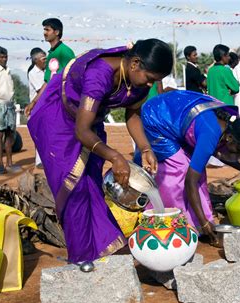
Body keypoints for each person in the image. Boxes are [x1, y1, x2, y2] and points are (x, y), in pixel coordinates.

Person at [27, 39, 173, 264]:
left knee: (92, 183)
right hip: (56, 121)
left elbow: (132, 114)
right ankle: (83, 256)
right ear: (134, 64)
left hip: (88, 121)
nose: (150, 85)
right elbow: (82, 131)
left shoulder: (139, 83)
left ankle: (104, 246)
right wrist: (115, 156)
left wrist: (145, 148)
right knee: (73, 186)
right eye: (150, 79)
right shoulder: (100, 73)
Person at [139, 90, 240, 245]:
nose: (238, 155)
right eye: (239, 150)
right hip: (157, 118)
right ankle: (178, 225)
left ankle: (199, 223)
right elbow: (189, 181)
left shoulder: (226, 127)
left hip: (176, 116)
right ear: (229, 138)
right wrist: (203, 222)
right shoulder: (211, 133)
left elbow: (220, 154)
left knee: (198, 170)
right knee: (180, 170)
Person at [25, 18, 75, 115]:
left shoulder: (64, 51)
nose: (44, 33)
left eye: (47, 30)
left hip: (64, 104)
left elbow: (73, 76)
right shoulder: (51, 54)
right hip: (53, 102)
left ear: (56, 32)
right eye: (44, 30)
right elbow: (47, 82)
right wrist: (34, 102)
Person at [0, 47, 17, 174]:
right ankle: (1, 165)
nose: (4, 59)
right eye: (1, 57)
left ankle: (10, 163)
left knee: (9, 134)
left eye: (6, 56)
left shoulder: (8, 70)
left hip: (9, 105)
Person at [27, 47, 47, 168]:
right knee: (39, 133)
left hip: (44, 107)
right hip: (37, 108)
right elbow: (42, 90)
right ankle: (39, 160)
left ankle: (43, 159)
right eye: (43, 59)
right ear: (36, 60)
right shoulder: (33, 73)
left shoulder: (45, 72)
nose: (46, 60)